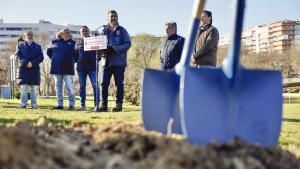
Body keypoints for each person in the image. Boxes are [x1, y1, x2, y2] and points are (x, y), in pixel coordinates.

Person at [99, 10, 131, 112]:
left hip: (119, 62)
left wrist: (115, 49)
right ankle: (103, 105)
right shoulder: (103, 31)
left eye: (115, 16)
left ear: (117, 17)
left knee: (119, 84)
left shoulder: (122, 30)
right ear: (107, 18)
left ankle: (118, 105)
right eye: (111, 16)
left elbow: (127, 44)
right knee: (104, 84)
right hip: (106, 62)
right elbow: (98, 44)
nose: (113, 18)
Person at [47, 28, 77, 110]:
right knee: (58, 87)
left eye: (68, 32)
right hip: (56, 68)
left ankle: (72, 105)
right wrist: (55, 60)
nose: (67, 33)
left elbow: (77, 55)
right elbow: (49, 52)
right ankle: (60, 105)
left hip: (68, 68)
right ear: (61, 33)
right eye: (65, 32)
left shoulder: (73, 43)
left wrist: (71, 61)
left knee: (70, 87)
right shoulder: (55, 42)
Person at [16, 30, 44, 109]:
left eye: (31, 34)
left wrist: (32, 63)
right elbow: (18, 56)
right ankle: (23, 104)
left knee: (34, 89)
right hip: (23, 70)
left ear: (33, 35)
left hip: (34, 70)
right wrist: (26, 62)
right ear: (25, 35)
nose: (30, 36)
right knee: (24, 88)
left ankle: (34, 105)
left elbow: (41, 57)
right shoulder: (20, 46)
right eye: (28, 34)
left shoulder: (38, 47)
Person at [76, 26, 100, 111]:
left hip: (93, 67)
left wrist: (94, 60)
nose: (84, 32)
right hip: (81, 68)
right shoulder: (78, 42)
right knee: (82, 86)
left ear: (88, 32)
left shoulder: (93, 40)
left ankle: (97, 106)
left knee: (95, 86)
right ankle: (82, 106)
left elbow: (99, 54)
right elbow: (75, 55)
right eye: (83, 31)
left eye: (86, 31)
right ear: (80, 33)